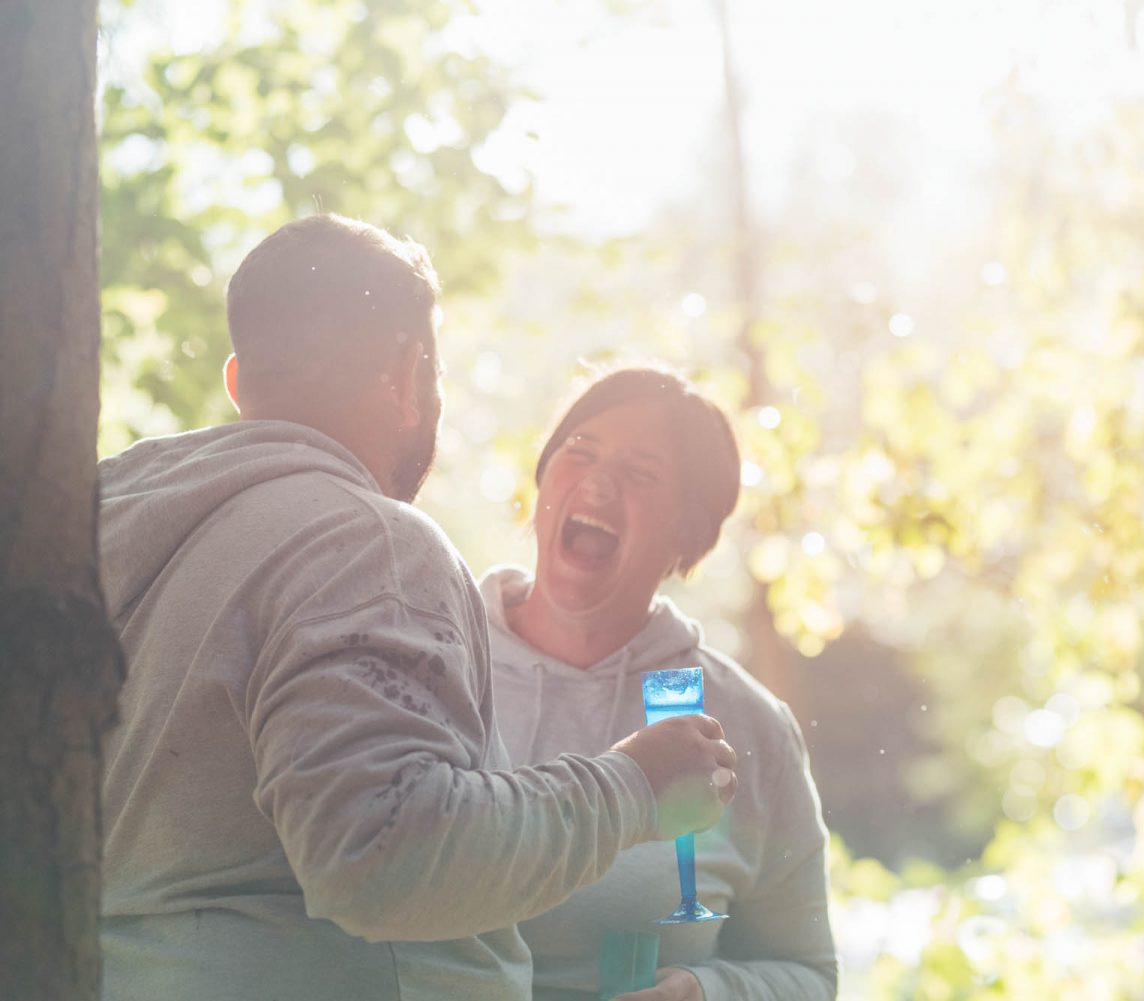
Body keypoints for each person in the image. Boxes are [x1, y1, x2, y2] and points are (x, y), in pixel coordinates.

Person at [97, 215, 737, 1001]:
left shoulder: (101, 523)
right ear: (406, 374)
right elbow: (383, 850)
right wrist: (634, 783)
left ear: (240, 383)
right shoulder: (368, 540)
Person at [479, 365, 837, 1001]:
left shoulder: (749, 725)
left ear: (690, 534)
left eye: (642, 473)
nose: (597, 481)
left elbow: (808, 975)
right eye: (579, 451)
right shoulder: (430, 664)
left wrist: (703, 994)